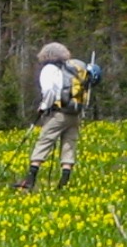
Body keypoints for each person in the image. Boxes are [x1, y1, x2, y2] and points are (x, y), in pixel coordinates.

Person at [16, 40, 91, 191]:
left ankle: (30, 179)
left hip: (58, 114)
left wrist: (44, 106)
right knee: (69, 146)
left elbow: (49, 91)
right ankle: (64, 183)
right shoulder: (72, 69)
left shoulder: (49, 69)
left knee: (44, 142)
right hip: (74, 114)